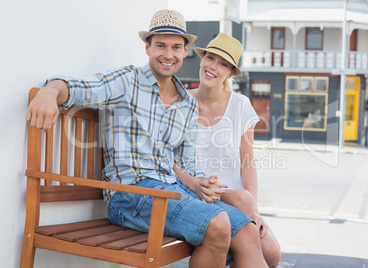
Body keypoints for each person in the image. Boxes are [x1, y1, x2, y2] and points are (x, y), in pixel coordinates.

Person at [25, 9, 268, 268]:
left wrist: (200, 183)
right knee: (219, 223)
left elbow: (186, 165)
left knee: (247, 231)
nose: (168, 54)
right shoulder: (127, 81)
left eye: (176, 47)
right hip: (130, 196)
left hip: (173, 192)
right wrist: (50, 91)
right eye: (160, 45)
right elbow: (80, 87)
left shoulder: (187, 103)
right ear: (147, 48)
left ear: (185, 51)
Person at [173, 33, 281, 267]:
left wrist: (256, 212)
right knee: (251, 242)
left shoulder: (240, 104)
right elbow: (172, 158)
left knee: (272, 253)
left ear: (230, 73)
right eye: (210, 58)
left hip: (236, 200)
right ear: (201, 59)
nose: (213, 67)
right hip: (198, 192)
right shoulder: (181, 104)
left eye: (223, 64)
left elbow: (247, 163)